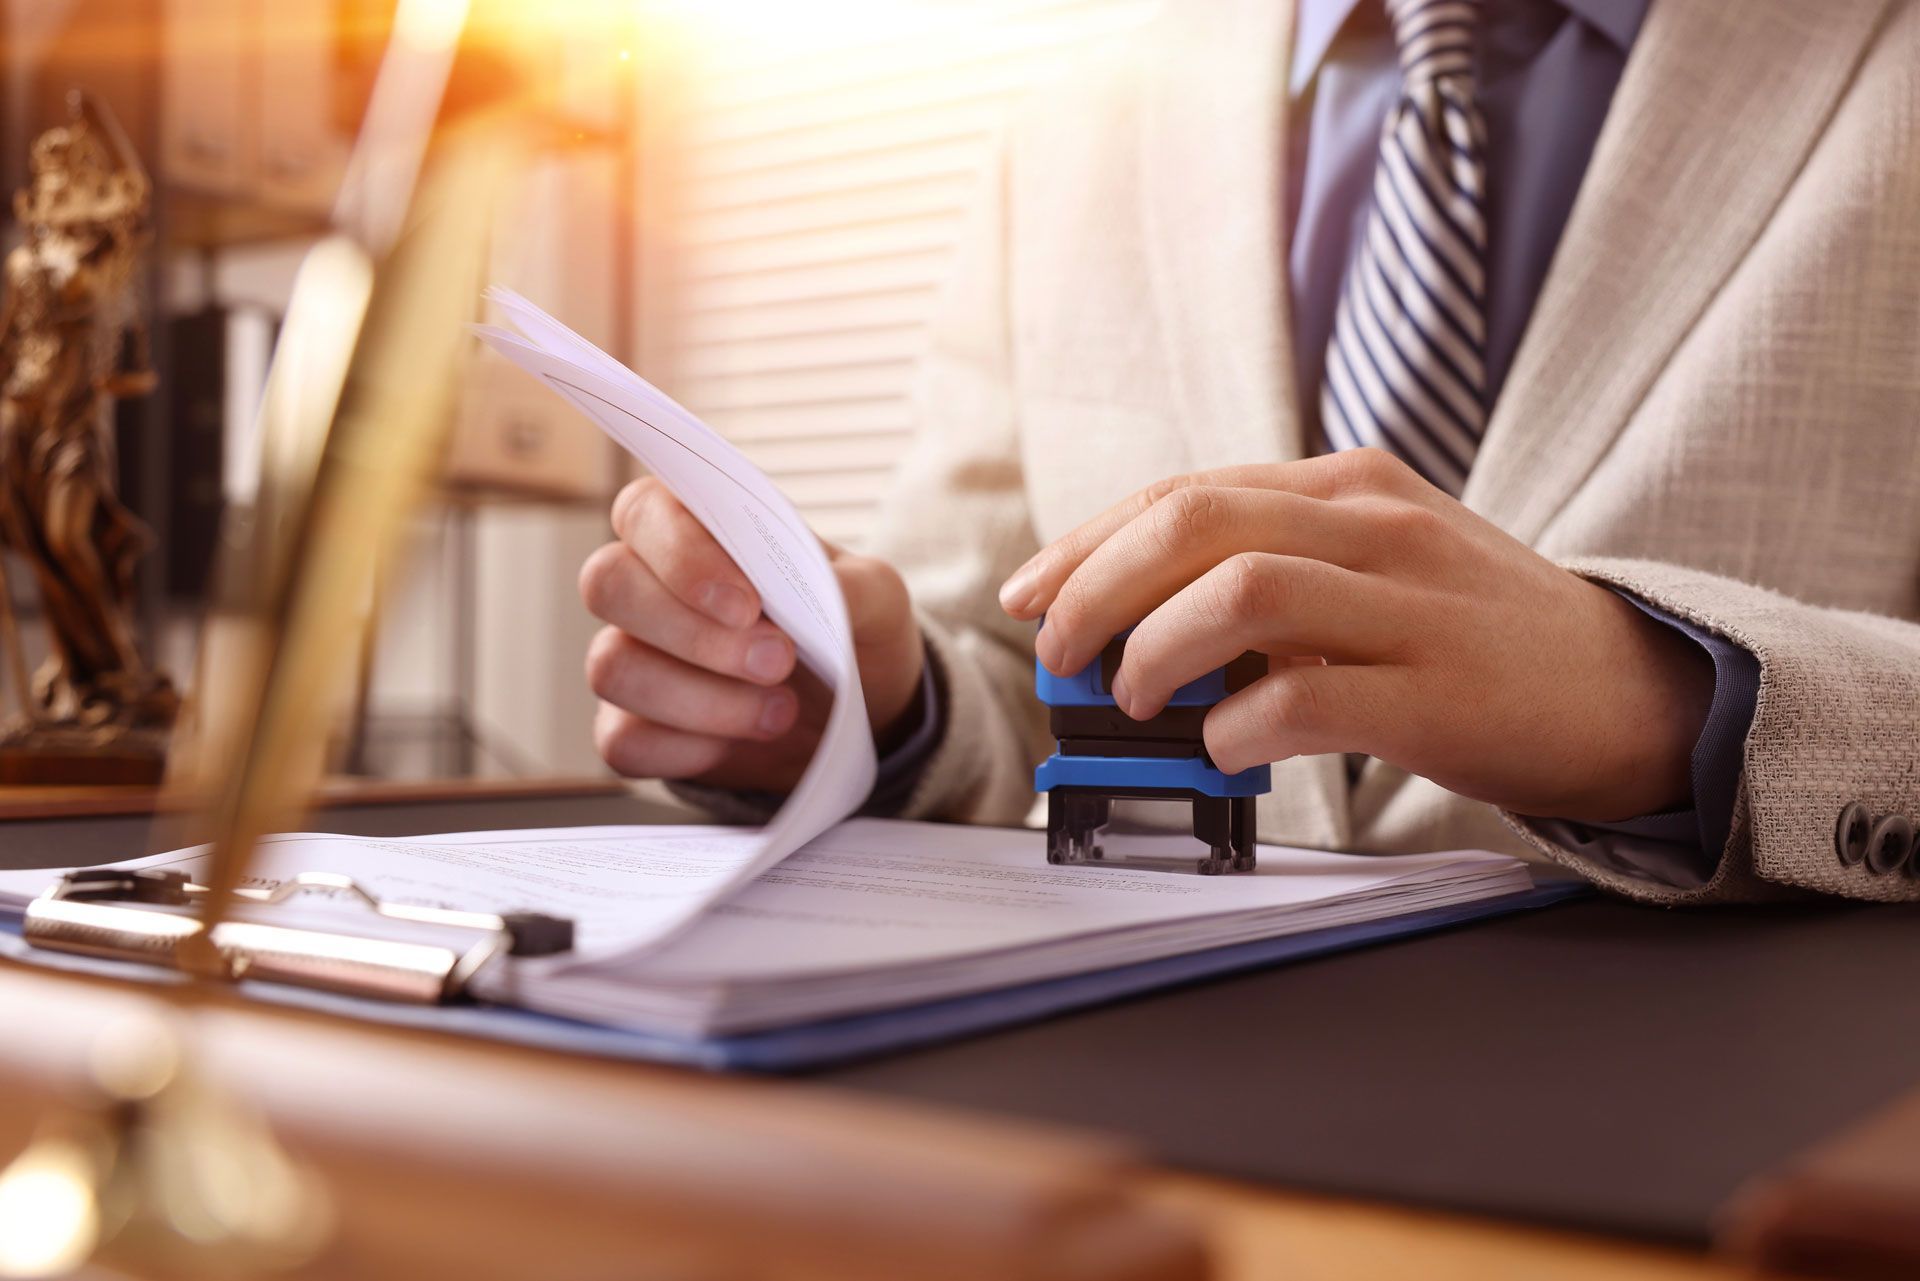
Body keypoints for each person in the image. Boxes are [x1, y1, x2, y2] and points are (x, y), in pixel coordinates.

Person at [578, 0, 1920, 905]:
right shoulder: (1079, 117)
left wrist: (1673, 711)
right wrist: (876, 713)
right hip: (1148, 1130)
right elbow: (1003, 661)